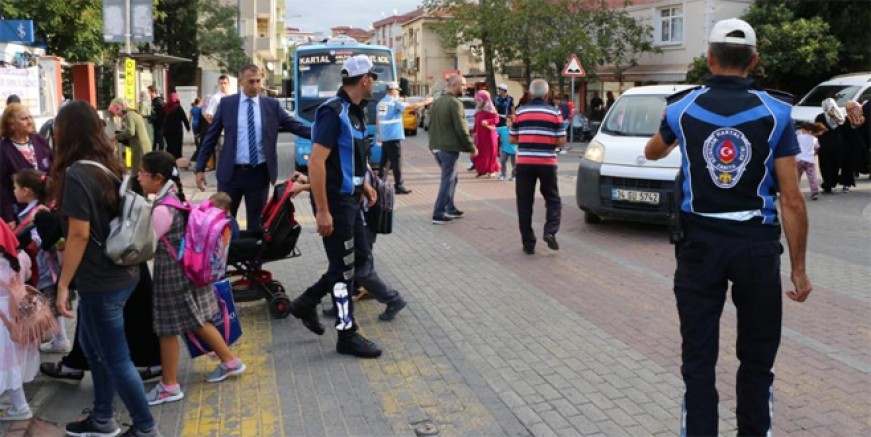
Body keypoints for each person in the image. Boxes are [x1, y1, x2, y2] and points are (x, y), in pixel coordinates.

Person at [643, 19, 811, 436]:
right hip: (756, 248)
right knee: (757, 361)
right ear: (755, 61)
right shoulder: (777, 113)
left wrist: (674, 129)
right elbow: (791, 198)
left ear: (709, 59)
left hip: (699, 247)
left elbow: (652, 152)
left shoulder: (683, 109)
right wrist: (799, 269)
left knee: (698, 360)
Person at [50, 100, 160, 437]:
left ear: (66, 133)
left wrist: (63, 285)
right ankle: (101, 418)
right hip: (124, 273)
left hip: (101, 280)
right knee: (94, 346)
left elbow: (79, 234)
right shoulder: (109, 165)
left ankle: (145, 428)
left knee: (115, 357)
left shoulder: (77, 174)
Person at [286, 55, 391, 359]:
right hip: (335, 203)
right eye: (374, 77)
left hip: (351, 200)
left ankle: (306, 302)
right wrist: (322, 210)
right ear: (365, 80)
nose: (376, 82)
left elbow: (352, 159)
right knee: (343, 271)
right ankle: (347, 334)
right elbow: (316, 162)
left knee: (353, 261)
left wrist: (365, 184)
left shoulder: (356, 112)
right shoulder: (333, 112)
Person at [139, 151, 246, 406]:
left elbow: (147, 244)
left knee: (167, 330)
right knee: (197, 321)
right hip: (186, 271)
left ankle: (169, 385)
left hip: (171, 276)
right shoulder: (176, 199)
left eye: (142, 173)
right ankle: (230, 362)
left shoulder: (162, 209)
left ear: (157, 177)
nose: (139, 178)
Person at [195, 65, 311, 231]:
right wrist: (200, 168)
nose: (255, 86)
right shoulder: (227, 104)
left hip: (259, 174)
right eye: (250, 81)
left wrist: (325, 134)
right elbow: (210, 137)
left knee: (257, 226)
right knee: (223, 224)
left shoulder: (271, 105)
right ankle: (226, 257)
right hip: (230, 174)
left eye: (258, 81)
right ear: (241, 81)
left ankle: (253, 257)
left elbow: (295, 126)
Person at [12, 169, 68, 352]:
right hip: (46, 264)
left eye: (15, 187)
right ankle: (58, 337)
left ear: (26, 191)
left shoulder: (37, 212)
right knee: (50, 299)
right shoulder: (40, 208)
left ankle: (55, 337)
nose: (14, 191)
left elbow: (38, 238)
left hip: (46, 265)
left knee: (48, 300)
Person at [510, 79, 565, 255]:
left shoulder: (520, 112)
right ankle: (550, 231)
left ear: (531, 94)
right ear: (547, 94)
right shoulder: (554, 113)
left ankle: (528, 244)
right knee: (553, 199)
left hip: (524, 163)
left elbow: (512, 139)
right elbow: (562, 140)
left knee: (524, 203)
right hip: (547, 163)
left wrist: (528, 138)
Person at [428, 74, 477, 224]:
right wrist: (472, 147)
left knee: (452, 178)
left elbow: (431, 125)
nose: (465, 88)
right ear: (454, 85)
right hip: (448, 148)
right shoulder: (455, 103)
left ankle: (449, 207)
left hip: (436, 146)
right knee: (447, 180)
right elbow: (462, 129)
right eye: (462, 85)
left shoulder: (438, 101)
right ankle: (439, 212)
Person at [0, 221, 36, 422]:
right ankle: (9, 400)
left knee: (6, 365)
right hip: (18, 316)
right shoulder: (20, 257)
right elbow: (28, 275)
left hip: (3, 321)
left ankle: (20, 406)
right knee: (11, 363)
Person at [0, 103, 53, 228]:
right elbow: (2, 186)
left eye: (30, 117)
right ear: (11, 125)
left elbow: (53, 168)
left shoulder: (39, 140)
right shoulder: (3, 149)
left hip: (47, 206)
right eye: (24, 119)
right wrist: (8, 217)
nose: (30, 121)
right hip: (21, 212)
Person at [375, 82, 432, 194]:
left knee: (384, 162)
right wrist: (426, 102)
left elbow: (379, 119)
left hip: (385, 136)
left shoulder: (382, 103)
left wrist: (379, 135)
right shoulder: (394, 102)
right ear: (393, 90)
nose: (399, 92)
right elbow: (412, 106)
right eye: (398, 90)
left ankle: (379, 184)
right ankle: (399, 185)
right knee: (397, 162)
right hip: (394, 136)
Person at [108, 97, 151, 193]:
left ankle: (138, 194)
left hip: (139, 147)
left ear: (120, 107)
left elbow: (130, 132)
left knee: (136, 172)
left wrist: (116, 136)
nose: (116, 114)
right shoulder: (134, 113)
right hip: (143, 145)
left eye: (115, 111)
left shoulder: (129, 115)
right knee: (142, 170)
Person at [815, 98, 848, 194]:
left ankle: (828, 185)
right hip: (838, 144)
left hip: (825, 145)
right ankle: (833, 183)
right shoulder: (841, 117)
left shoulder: (820, 117)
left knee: (825, 166)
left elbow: (817, 132)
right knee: (835, 165)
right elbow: (845, 132)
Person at [471, 90, 500, 178]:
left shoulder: (490, 109)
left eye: (479, 100)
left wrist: (487, 121)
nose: (477, 102)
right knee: (479, 152)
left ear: (484, 100)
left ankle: (491, 170)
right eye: (476, 100)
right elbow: (476, 122)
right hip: (479, 135)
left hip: (489, 135)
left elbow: (496, 119)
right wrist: (474, 132)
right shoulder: (478, 110)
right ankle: (481, 170)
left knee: (490, 152)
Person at [795, 122, 824, 200]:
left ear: (804, 129)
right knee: (812, 177)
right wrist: (813, 154)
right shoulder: (815, 139)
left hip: (799, 159)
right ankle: (814, 193)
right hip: (810, 160)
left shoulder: (799, 137)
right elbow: (817, 149)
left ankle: (794, 192)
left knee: (797, 177)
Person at [161, 93, 190, 160]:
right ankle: (178, 159)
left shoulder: (166, 107)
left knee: (170, 145)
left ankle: (169, 158)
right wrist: (187, 127)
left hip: (168, 131)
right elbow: (184, 118)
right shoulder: (178, 108)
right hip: (177, 131)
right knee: (178, 145)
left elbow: (162, 119)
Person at [148, 85, 166, 152]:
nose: (148, 94)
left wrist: (155, 120)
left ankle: (160, 153)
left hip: (159, 124)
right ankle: (155, 152)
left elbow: (160, 113)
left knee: (159, 139)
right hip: (156, 124)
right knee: (156, 139)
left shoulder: (158, 101)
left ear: (153, 92)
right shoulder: (154, 101)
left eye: (149, 92)